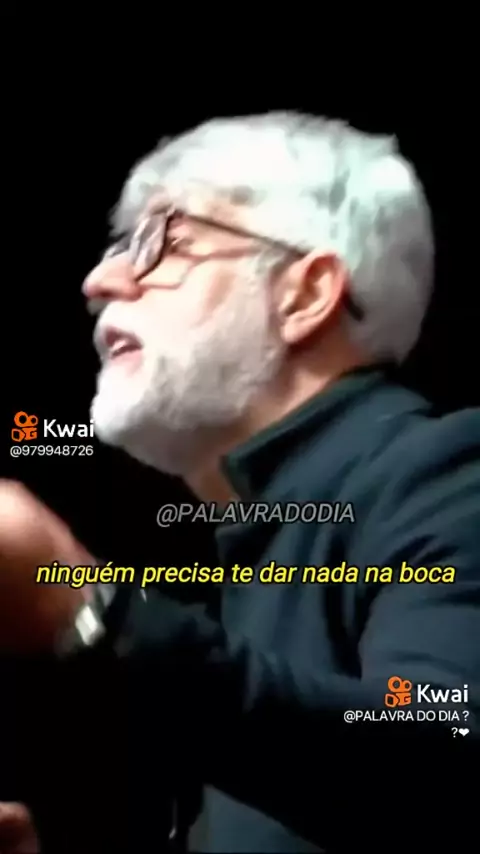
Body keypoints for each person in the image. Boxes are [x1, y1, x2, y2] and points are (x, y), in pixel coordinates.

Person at [1, 112, 479, 853]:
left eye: (165, 241)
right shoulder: (250, 549)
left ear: (305, 295)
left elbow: (437, 754)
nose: (101, 281)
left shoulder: (450, 473)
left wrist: (89, 615)